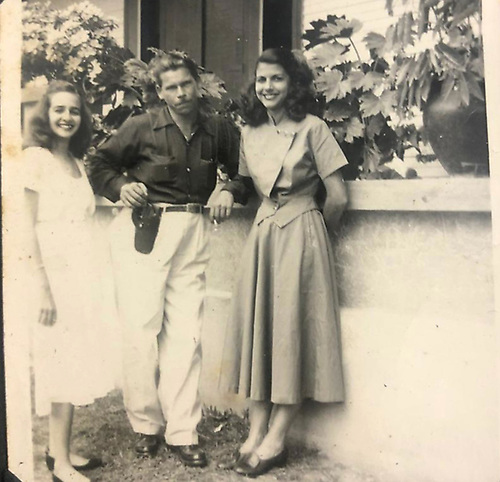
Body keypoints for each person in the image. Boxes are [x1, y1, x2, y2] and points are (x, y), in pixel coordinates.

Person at [87, 51, 239, 467]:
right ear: (159, 91)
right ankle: (145, 426)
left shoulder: (218, 128)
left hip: (193, 231)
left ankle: (183, 432)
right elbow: (99, 163)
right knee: (140, 332)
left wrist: (229, 189)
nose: (181, 93)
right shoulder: (142, 126)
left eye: (186, 84)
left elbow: (241, 170)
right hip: (147, 230)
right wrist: (120, 187)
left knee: (187, 335)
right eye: (171, 87)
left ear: (197, 84)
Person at [213, 48, 348, 477]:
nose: (268, 87)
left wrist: (316, 234)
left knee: (291, 334)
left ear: (293, 84)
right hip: (264, 236)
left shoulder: (314, 128)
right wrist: (226, 190)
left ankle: (276, 438)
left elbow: (338, 196)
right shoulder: (249, 131)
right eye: (261, 79)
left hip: (302, 234)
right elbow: (245, 183)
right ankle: (255, 433)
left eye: (277, 79)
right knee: (262, 332)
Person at [23, 80, 114, 482]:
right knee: (59, 363)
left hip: (80, 274)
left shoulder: (77, 161)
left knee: (74, 359)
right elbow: (24, 227)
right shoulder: (34, 160)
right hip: (51, 276)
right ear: (45, 114)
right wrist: (43, 286)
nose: (67, 117)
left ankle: (57, 449)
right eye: (59, 109)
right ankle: (60, 464)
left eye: (74, 111)